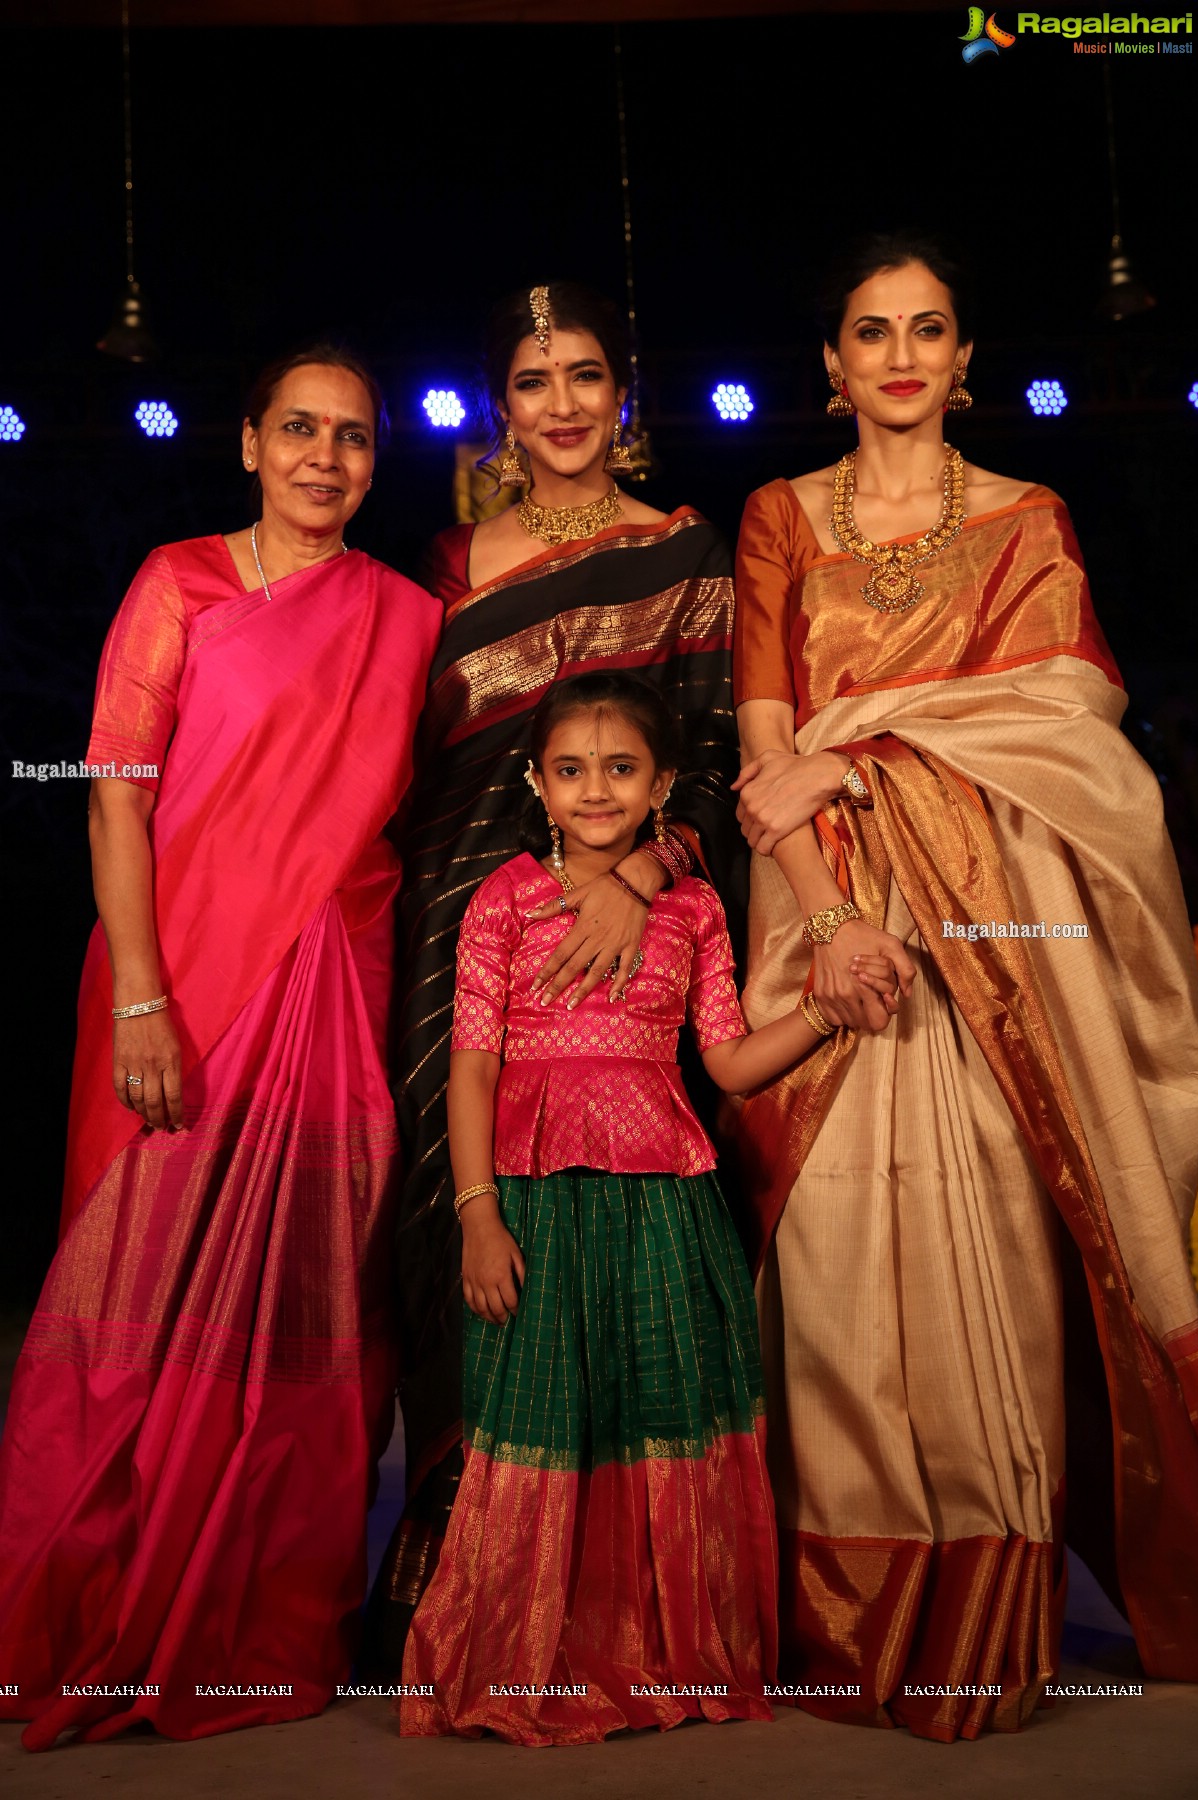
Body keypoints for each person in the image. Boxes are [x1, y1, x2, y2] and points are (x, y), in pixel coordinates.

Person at [731, 232, 1198, 1742]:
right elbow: (761, 758)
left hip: (992, 941)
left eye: (929, 330)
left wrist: (867, 745)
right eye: (871, 333)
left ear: (966, 355)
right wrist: (833, 923)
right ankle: (858, 1615)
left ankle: (990, 1619)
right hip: (825, 918)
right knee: (841, 1266)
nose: (902, 357)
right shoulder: (778, 519)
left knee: (987, 1245)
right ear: (832, 365)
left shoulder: (1027, 518)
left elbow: (1073, 731)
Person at [0, 347, 442, 1747]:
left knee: (302, 1298)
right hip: (175, 976)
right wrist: (142, 994)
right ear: (248, 443)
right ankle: (98, 1598)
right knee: (135, 1298)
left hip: (335, 983)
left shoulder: (404, 616)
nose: (326, 457)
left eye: (355, 438)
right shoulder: (176, 583)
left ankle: (258, 1618)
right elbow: (113, 799)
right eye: (300, 430)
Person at [397, 671, 898, 1743]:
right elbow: (473, 1071)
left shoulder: (695, 908)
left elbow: (727, 1061)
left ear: (662, 783)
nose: (594, 791)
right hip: (532, 1205)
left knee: (653, 1414)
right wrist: (478, 1214)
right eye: (570, 771)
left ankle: (658, 1648)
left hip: (666, 1208)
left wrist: (821, 1007)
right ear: (536, 782)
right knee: (538, 1423)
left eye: (620, 769)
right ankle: (525, 1654)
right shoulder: (503, 902)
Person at [368, 282, 744, 1661]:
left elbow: (711, 752)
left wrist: (641, 878)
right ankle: (462, 1563)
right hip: (461, 926)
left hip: (642, 923)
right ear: (502, 409)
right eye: (535, 380)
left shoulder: (685, 547)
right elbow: (425, 768)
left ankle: (622, 1570)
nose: (566, 403)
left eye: (587, 374)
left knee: (629, 1227)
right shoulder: (452, 563)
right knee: (450, 1220)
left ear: (623, 394)